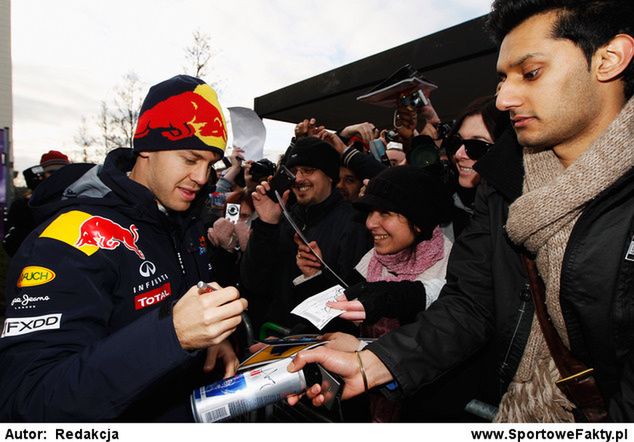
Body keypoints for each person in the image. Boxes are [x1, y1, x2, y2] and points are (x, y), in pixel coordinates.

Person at [289, 0, 634, 422]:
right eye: (504, 78)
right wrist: (376, 362)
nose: (505, 97)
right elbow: (471, 303)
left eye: (531, 73)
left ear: (609, 60)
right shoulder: (504, 179)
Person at [0, 75, 248, 422]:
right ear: (146, 146)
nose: (203, 177)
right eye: (190, 159)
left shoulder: (183, 220)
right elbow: (27, 403)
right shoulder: (69, 239)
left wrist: (207, 342)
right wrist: (173, 336)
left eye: (210, 164)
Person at [302, 165, 455, 422]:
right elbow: (341, 302)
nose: (371, 223)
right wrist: (284, 347)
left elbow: (431, 351)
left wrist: (362, 350)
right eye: (370, 212)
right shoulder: (375, 258)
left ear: (419, 221)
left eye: (385, 212)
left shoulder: (453, 268)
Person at [240, 136, 371, 333]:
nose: (299, 179)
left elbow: (353, 300)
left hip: (320, 344)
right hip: (271, 338)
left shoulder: (354, 224)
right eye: (293, 172)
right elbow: (253, 283)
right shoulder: (282, 217)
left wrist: (316, 276)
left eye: (308, 171)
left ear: (329, 175)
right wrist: (266, 224)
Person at [442, 96, 510, 237]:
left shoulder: (518, 217)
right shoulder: (448, 205)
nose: (459, 154)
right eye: (457, 142)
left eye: (476, 147)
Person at [2, 150, 71, 256]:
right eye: (52, 172)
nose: (58, 176)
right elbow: (11, 245)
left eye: (62, 171)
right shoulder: (24, 205)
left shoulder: (76, 201)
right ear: (42, 175)